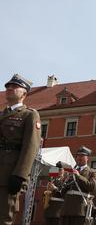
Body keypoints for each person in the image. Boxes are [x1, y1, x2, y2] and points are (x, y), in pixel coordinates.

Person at [0, 74, 41, 225]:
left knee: (3, 217)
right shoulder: (2, 115)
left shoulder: (29, 115)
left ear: (24, 93)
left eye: (14, 86)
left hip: (8, 175)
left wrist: (20, 175)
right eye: (7, 87)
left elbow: (30, 147)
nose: (9, 89)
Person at [61, 145, 96, 225]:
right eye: (78, 156)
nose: (79, 157)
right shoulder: (71, 171)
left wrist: (79, 176)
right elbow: (63, 192)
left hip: (80, 208)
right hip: (67, 207)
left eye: (82, 156)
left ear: (87, 158)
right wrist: (65, 181)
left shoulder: (92, 172)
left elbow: (92, 187)